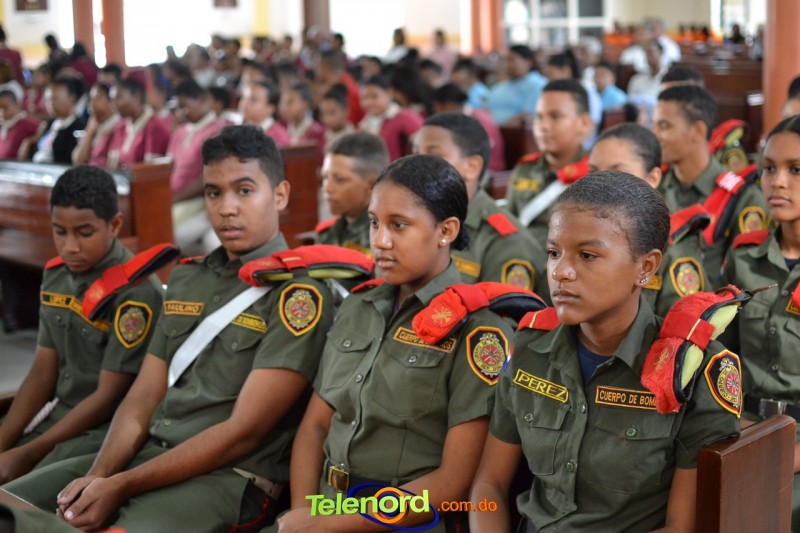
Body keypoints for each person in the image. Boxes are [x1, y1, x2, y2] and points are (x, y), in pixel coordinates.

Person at [3, 125, 336, 532]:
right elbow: (143, 395)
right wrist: (100, 475)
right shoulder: (187, 278)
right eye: (213, 193)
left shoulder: (298, 297)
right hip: (146, 456)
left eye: (244, 190)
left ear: (280, 195)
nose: (226, 208)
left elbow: (243, 433)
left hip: (224, 479)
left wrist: (121, 484)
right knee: (10, 508)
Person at [470, 171, 741, 532]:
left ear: (646, 267)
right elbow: (488, 486)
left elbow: (681, 527)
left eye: (587, 255)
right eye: (553, 253)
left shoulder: (692, 372)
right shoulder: (530, 348)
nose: (561, 272)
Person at [278, 154, 515, 532]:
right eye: (374, 223)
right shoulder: (359, 306)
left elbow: (452, 482)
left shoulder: (478, 334)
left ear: (446, 230)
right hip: (325, 504)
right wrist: (306, 513)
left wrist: (326, 526)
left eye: (399, 225)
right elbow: (315, 427)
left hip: (400, 520)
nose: (380, 241)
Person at [0, 165, 164, 484]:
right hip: (57, 416)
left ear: (114, 225)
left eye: (84, 233)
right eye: (60, 231)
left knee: (16, 498)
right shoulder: (57, 275)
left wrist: (27, 453)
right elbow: (42, 371)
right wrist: (5, 442)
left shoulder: (135, 293)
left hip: (101, 432)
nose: (70, 247)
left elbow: (108, 397)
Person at [719, 115, 800, 529]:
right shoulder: (744, 258)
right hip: (745, 430)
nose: (777, 182)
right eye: (769, 168)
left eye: (796, 170)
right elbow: (722, 356)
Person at [415, 112, 548, 296]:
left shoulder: (506, 243)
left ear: (472, 167)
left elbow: (500, 314)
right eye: (416, 153)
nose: (417, 165)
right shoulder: (414, 220)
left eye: (434, 155)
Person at [589, 123, 709, 316]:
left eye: (618, 173)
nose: (601, 184)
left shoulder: (670, 248)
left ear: (652, 178)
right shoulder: (579, 234)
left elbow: (686, 327)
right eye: (593, 173)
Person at [653, 85, 768, 279]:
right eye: (654, 125)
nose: (655, 134)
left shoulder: (742, 197)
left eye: (664, 126)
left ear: (698, 131)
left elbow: (746, 278)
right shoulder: (654, 183)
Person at [505, 79, 593, 244]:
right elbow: (508, 225)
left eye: (555, 116)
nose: (543, 126)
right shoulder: (525, 168)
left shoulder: (595, 174)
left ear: (584, 123)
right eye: (539, 117)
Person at [315, 131, 389, 257]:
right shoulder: (326, 233)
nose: (327, 188)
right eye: (325, 177)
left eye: (339, 179)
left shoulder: (386, 239)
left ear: (371, 184)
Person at [430, 83, 506, 172]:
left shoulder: (479, 121)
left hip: (489, 170)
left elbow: (484, 153)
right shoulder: (461, 117)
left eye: (437, 108)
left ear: (448, 105)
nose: (435, 113)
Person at [107, 77, 172, 170]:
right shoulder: (120, 126)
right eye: (111, 100)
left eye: (118, 98)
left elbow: (150, 170)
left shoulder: (155, 127)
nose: (113, 104)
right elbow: (112, 164)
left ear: (136, 97)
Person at [358, 74, 423, 161]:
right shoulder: (365, 123)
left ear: (389, 93)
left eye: (374, 96)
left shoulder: (406, 118)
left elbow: (423, 145)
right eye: (364, 98)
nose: (368, 103)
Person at [484, 45, 547, 127]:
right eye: (506, 60)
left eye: (511, 60)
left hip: (510, 131)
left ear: (528, 62)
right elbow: (486, 108)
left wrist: (495, 127)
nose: (507, 64)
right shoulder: (502, 85)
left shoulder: (537, 85)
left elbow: (527, 117)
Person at [29, 77, 86, 164]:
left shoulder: (79, 128)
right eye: (47, 100)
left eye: (54, 99)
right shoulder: (50, 123)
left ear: (71, 98)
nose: (50, 104)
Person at [72, 83, 121, 167]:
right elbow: (77, 159)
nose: (92, 102)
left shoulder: (118, 126)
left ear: (111, 102)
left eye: (97, 98)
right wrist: (90, 131)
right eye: (91, 98)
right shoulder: (92, 124)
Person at [280, 81, 325, 160]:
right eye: (284, 102)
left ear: (305, 104)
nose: (285, 107)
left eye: (290, 102)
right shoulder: (282, 126)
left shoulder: (317, 132)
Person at [239, 79, 291, 147]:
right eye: (243, 97)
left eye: (253, 100)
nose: (244, 103)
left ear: (270, 109)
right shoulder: (239, 128)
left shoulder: (278, 138)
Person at [0, 89, 39, 160]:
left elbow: (42, 132)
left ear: (17, 105)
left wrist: (28, 141)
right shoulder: (4, 126)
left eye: (5, 107)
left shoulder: (26, 123)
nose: (1, 112)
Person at [319, 84, 355, 152]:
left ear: (346, 111)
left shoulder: (354, 139)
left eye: (332, 113)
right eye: (324, 113)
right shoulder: (321, 137)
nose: (327, 118)